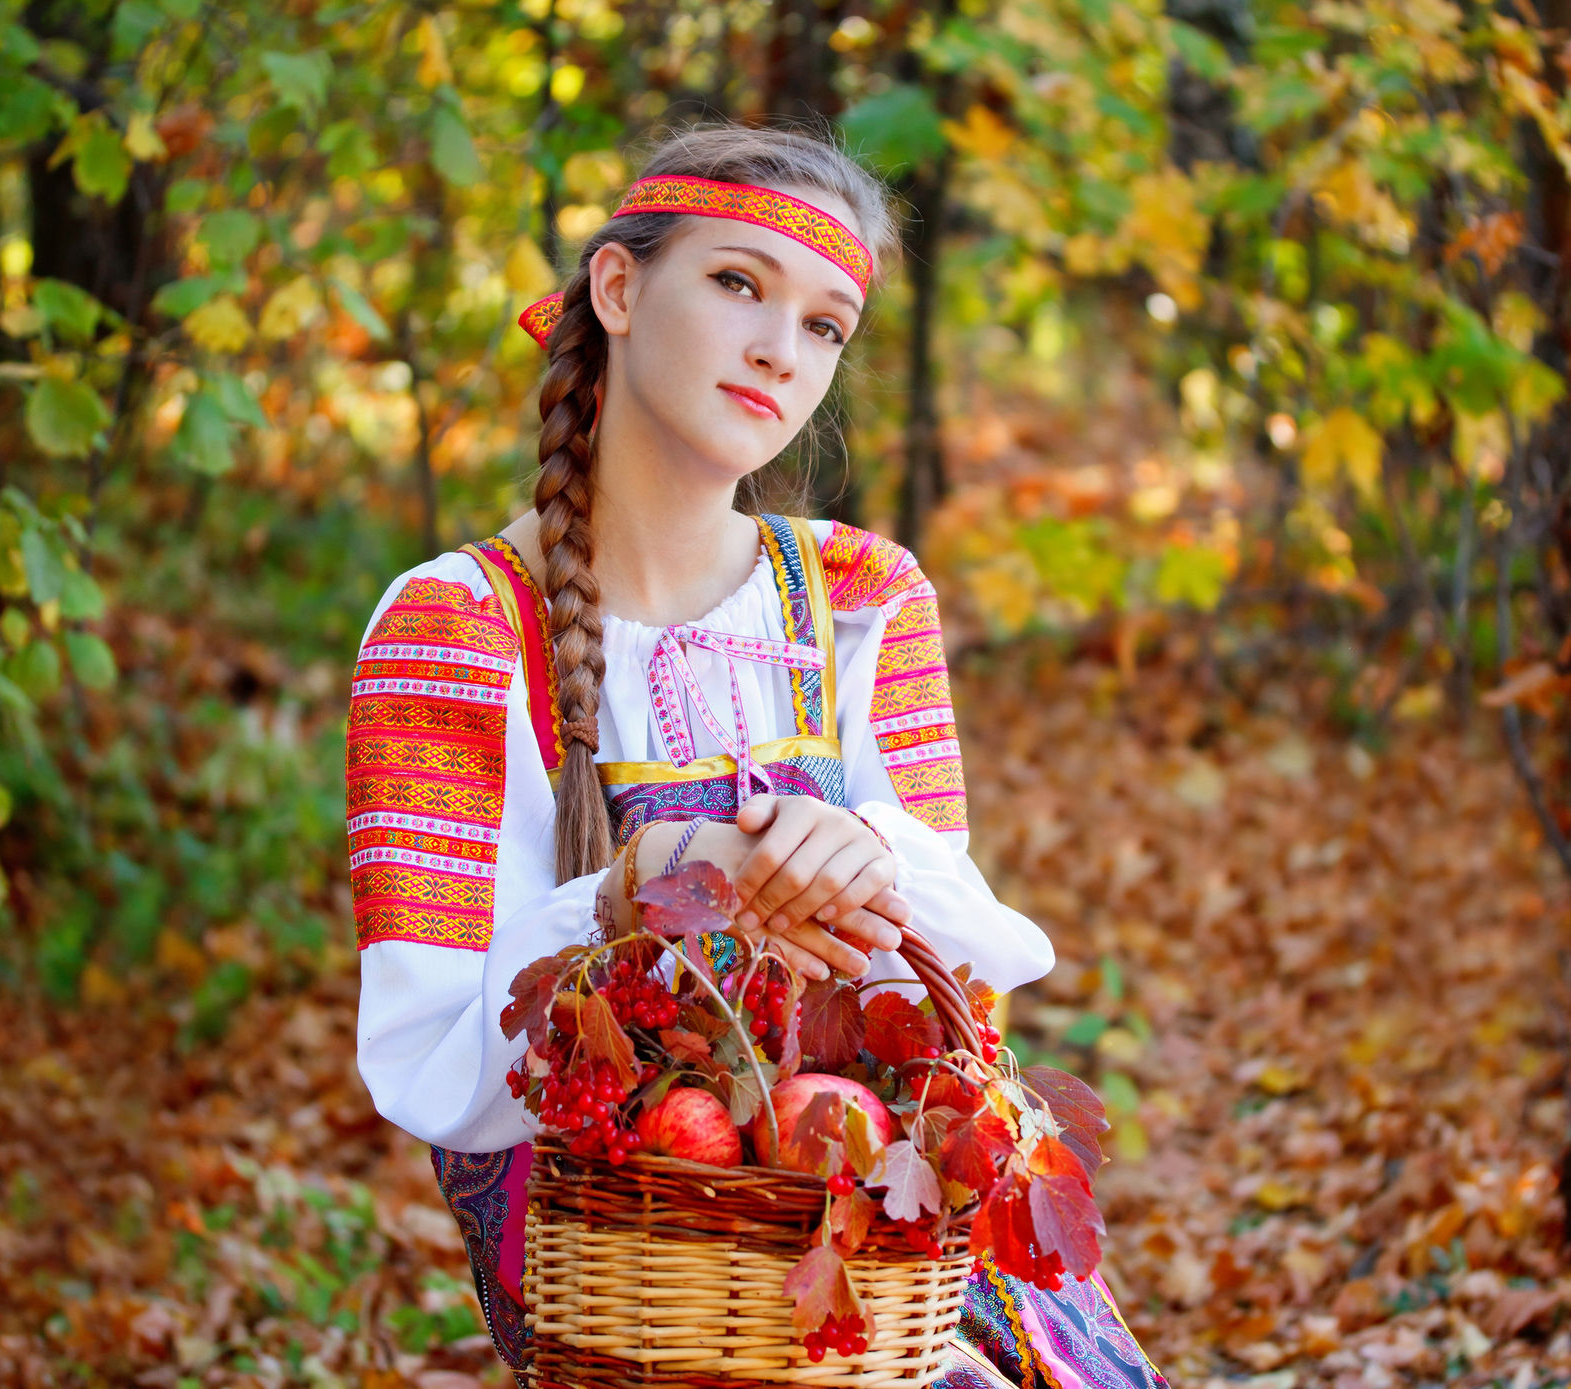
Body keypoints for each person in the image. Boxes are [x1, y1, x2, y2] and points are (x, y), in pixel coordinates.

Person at [344, 122, 1166, 1389]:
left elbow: (974, 973)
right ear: (617, 289)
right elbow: (432, 1057)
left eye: (826, 324)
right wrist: (641, 884)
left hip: (885, 1221)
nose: (783, 349)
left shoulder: (860, 596)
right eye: (738, 284)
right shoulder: (456, 630)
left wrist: (866, 849)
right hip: (638, 1254)